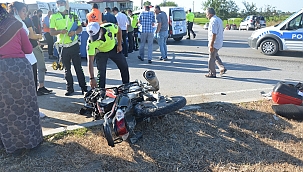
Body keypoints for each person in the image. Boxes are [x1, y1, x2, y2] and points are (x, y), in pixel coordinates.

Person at [0, 3, 43, 154]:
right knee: (27, 105)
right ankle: (32, 141)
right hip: (19, 69)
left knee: (5, 109)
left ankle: (10, 145)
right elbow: (28, 49)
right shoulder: (16, 24)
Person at [50, 0, 87, 96]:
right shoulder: (53, 16)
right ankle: (69, 88)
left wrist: (74, 32)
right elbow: (51, 32)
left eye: (62, 3)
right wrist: (60, 31)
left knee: (78, 68)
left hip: (74, 45)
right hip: (62, 47)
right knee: (67, 69)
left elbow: (80, 28)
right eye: (58, 4)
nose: (60, 5)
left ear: (66, 4)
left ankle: (84, 88)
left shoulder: (73, 14)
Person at [86, 22, 130, 89]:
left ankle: (126, 86)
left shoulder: (110, 27)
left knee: (124, 66)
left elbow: (119, 30)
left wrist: (119, 44)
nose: (96, 39)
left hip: (113, 49)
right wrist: (91, 78)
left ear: (100, 29)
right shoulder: (91, 43)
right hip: (101, 52)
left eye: (97, 35)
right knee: (101, 72)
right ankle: (101, 91)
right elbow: (90, 61)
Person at [205, 7, 227, 78]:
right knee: (215, 56)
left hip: (214, 42)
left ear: (209, 14)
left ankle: (212, 73)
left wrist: (211, 45)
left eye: (206, 14)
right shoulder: (219, 19)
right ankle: (222, 68)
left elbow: (214, 34)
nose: (206, 16)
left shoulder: (213, 21)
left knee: (211, 58)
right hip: (219, 41)